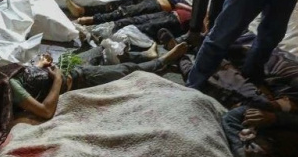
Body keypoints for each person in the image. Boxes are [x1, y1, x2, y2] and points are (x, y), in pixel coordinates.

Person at [10, 44, 187, 122]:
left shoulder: (6, 75)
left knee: (101, 50)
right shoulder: (11, 88)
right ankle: (162, 62)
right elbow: (46, 111)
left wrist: (40, 65)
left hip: (70, 69)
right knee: (127, 70)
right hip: (78, 79)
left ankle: (145, 56)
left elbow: (25, 75)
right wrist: (57, 79)